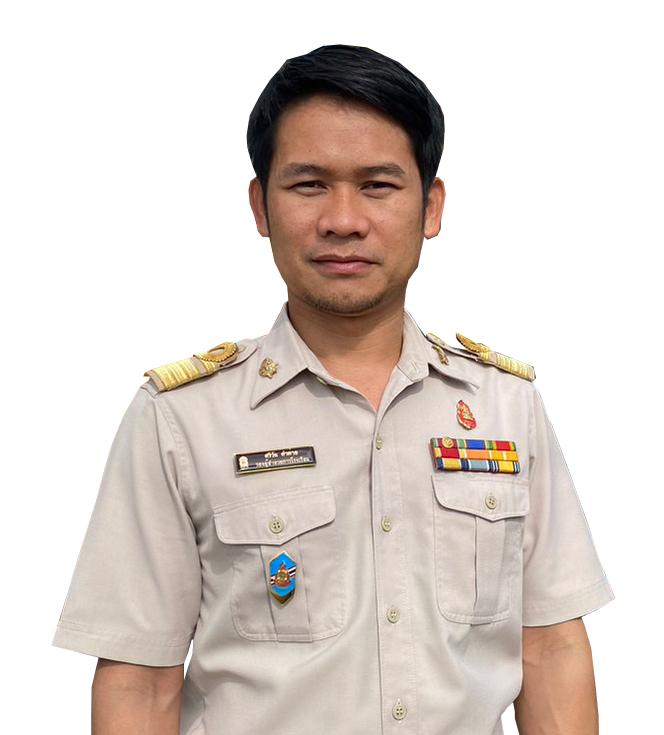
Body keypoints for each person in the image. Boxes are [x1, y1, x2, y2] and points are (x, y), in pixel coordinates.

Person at [53, 44, 614, 735]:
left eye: (378, 185)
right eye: (309, 185)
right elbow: (141, 681)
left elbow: (550, 645)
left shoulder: (505, 405)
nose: (343, 219)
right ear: (260, 205)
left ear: (431, 206)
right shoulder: (181, 419)